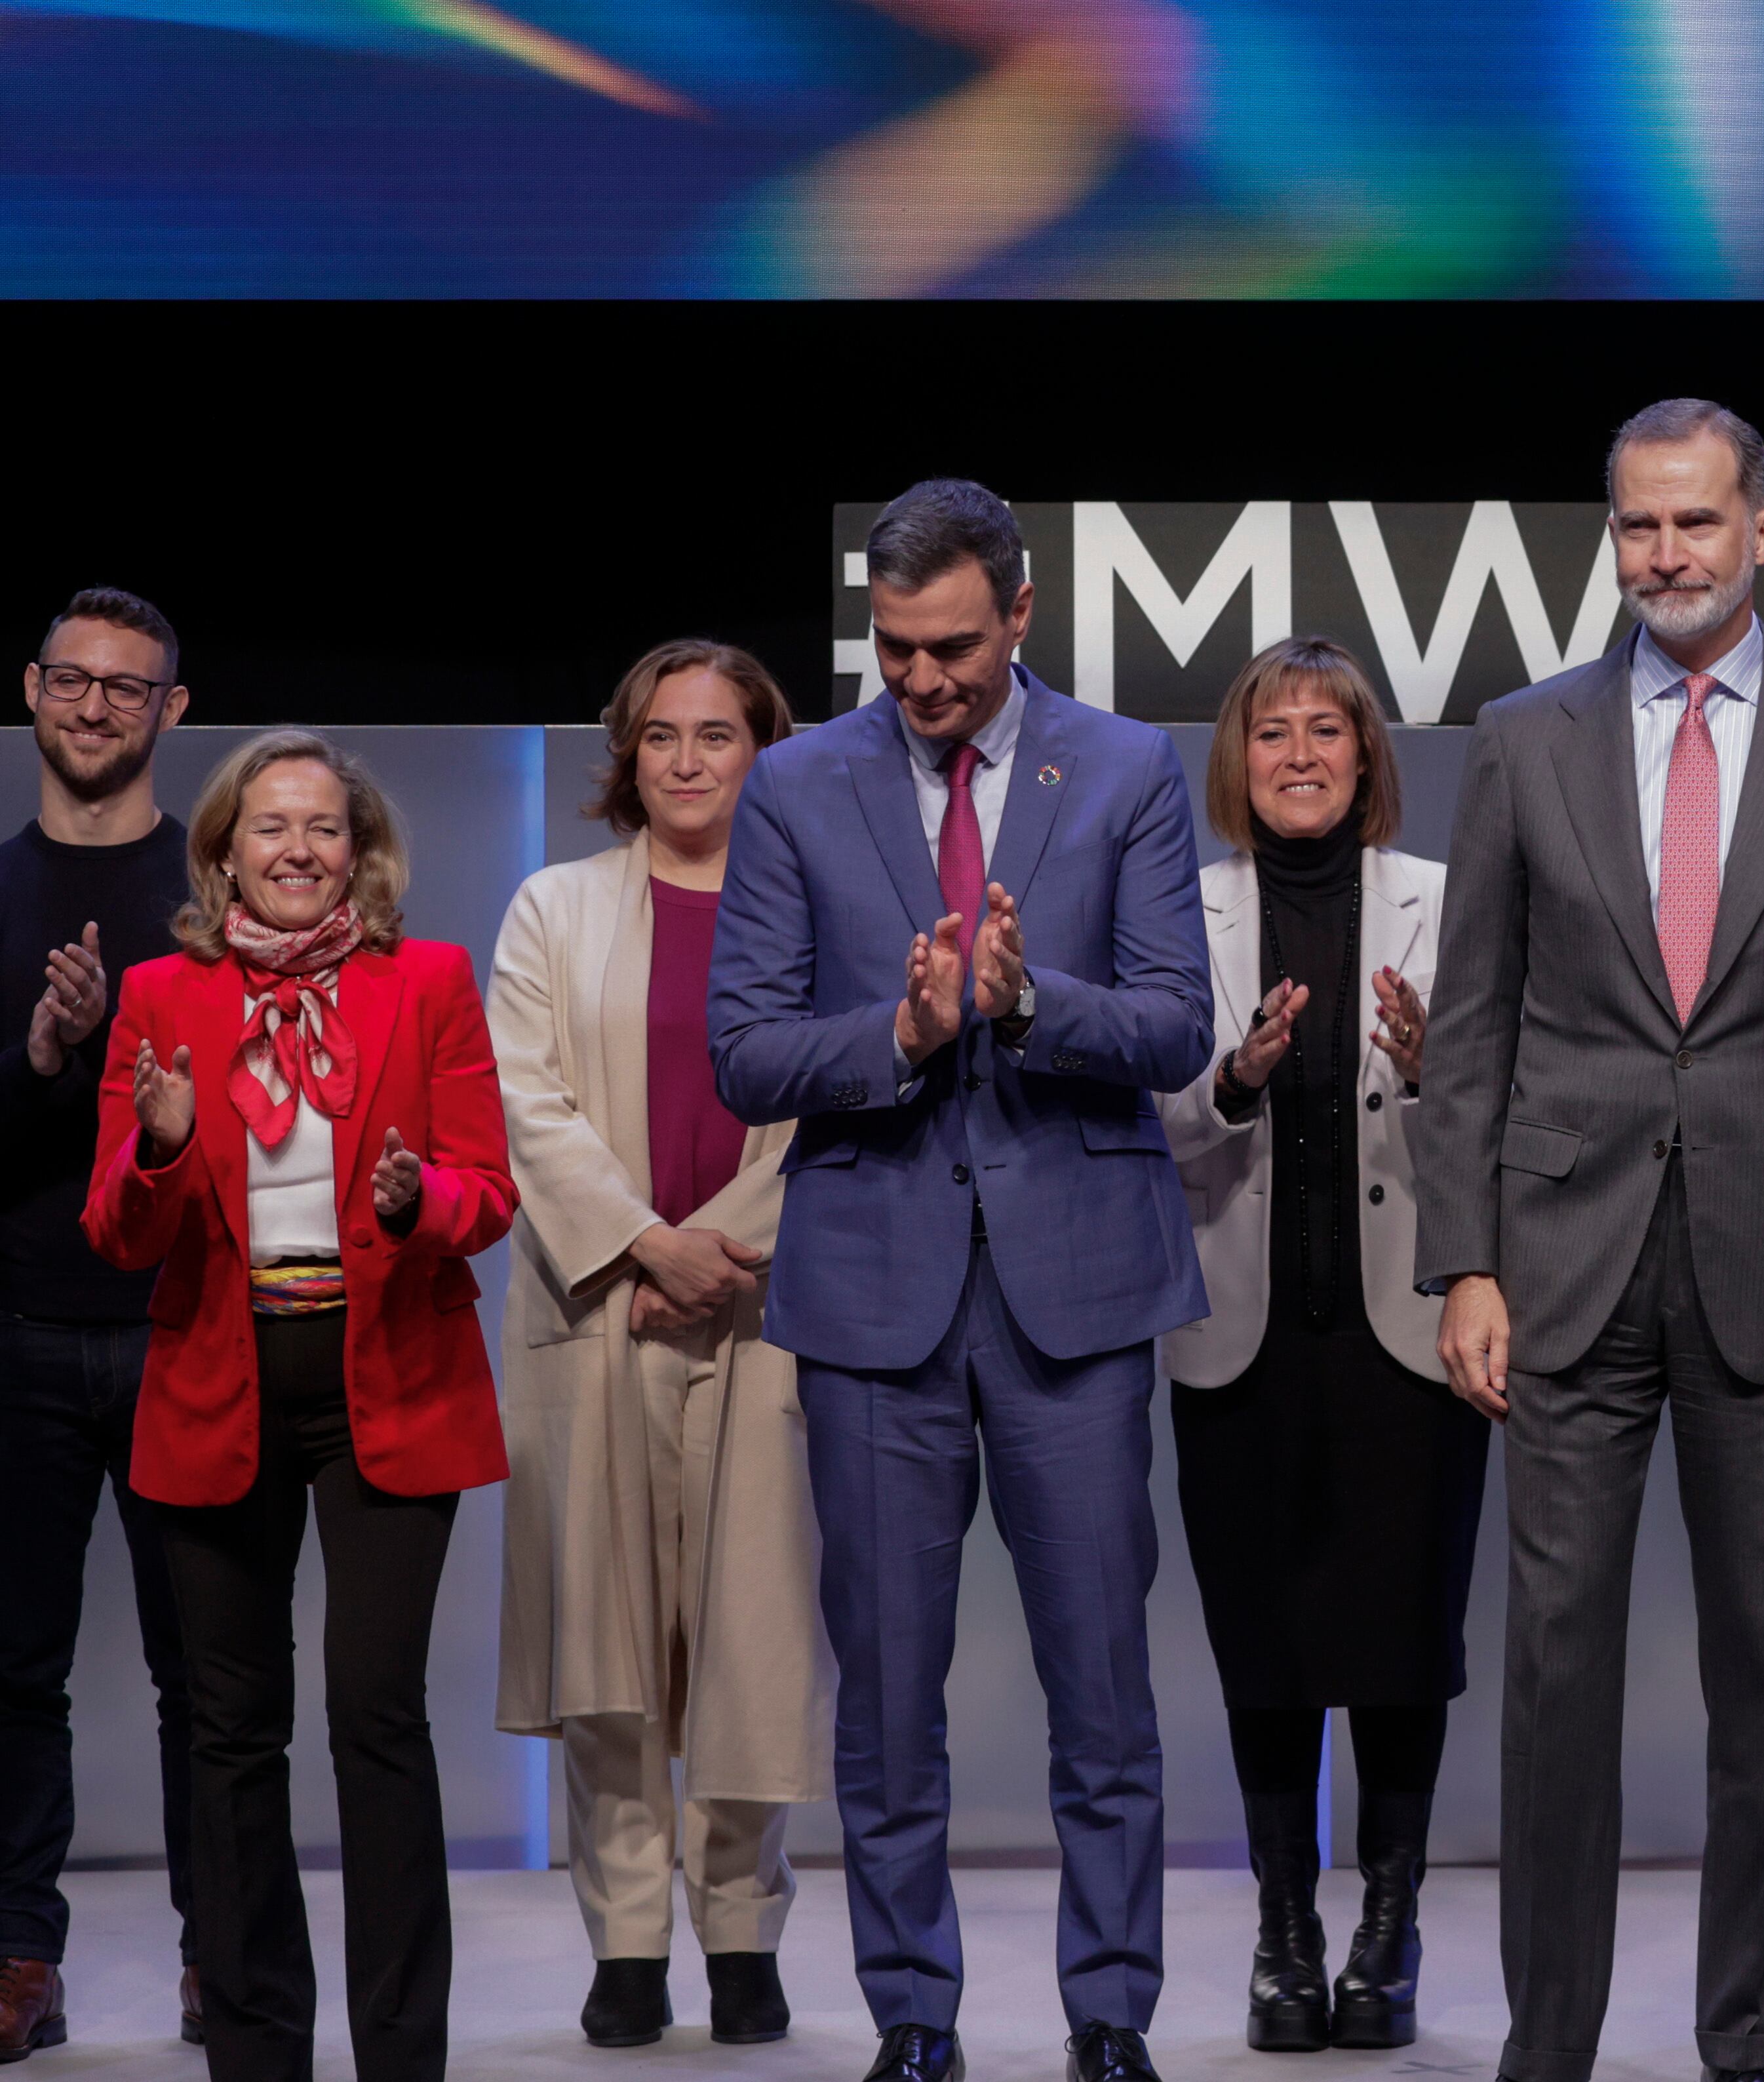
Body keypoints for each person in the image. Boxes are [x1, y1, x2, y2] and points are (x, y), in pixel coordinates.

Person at [1413, 398, 1764, 2082]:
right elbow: (1473, 1020)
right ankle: (1546, 2048)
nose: (1666, 556)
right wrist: (1466, 1260)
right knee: (1555, 1684)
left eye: (1696, 525)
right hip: (1563, 1263)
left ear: (1762, 532)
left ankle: (1743, 2043)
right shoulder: (1524, 731)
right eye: (1640, 528)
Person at [710, 479, 1213, 2082]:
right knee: (887, 1698)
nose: (924, 680)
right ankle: (913, 2018)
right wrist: (912, 1033)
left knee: (1104, 1693)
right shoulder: (797, 784)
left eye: (954, 648)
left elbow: (1176, 1025)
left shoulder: (1127, 765)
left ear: (1020, 610)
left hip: (1076, 1289)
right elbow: (746, 1049)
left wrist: (1029, 999)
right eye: (896, 647)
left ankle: (1112, 2012)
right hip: (872, 1294)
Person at [84, 731, 515, 2082]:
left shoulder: (429, 982)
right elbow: (116, 1231)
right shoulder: (158, 996)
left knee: (376, 1715)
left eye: (324, 828)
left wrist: (418, 1202)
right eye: (269, 827)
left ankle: (400, 2053)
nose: (296, 849)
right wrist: (157, 1147)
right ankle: (258, 2047)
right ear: (222, 853)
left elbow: (487, 1190)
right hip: (219, 1384)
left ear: (360, 851)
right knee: (231, 1728)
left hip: (388, 1371)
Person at [489, 640, 827, 2051]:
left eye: (718, 735)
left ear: (766, 750)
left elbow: (840, 1094)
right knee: (606, 1651)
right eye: (660, 737)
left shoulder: (821, 909)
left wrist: (721, 1244)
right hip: (602, 1301)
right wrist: (643, 1243)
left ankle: (743, 1931)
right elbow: (529, 1100)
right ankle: (627, 1938)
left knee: (751, 1642)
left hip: (764, 1300)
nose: (687, 761)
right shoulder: (554, 907)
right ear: (625, 757)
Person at [1158, 636, 1478, 2055]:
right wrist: (1234, 1076)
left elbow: (1515, 1108)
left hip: (1413, 1333)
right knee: (1268, 1647)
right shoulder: (1179, 908)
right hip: (1242, 1334)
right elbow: (1137, 1114)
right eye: (1274, 731)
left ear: (1367, 758)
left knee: (1404, 1643)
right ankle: (1284, 1933)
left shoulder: (1448, 906)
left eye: (1326, 732)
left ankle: (1388, 1937)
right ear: (1241, 758)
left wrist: (1427, 1065)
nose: (1299, 754)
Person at [0, 588, 202, 2062]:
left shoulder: (215, 899)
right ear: (30, 691)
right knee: (13, 1669)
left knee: (207, 1672)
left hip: (186, 1328)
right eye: (73, 681)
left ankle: (224, 1949)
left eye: (125, 690)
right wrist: (46, 1057)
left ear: (171, 711)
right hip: (14, 1334)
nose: (93, 708)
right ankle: (18, 1957)